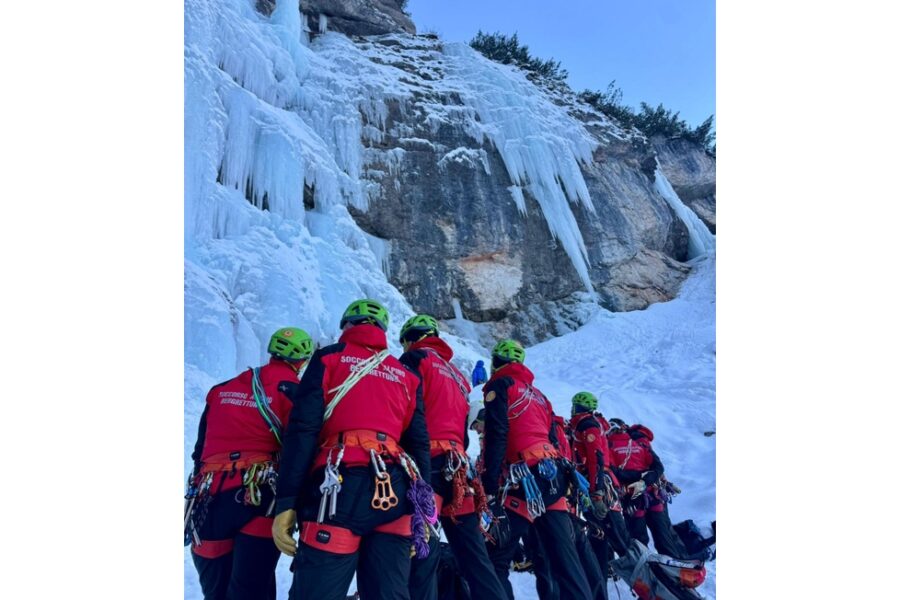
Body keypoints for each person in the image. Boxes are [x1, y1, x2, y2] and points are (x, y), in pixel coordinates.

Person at [270, 299, 433, 600]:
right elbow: (418, 444)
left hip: (338, 490)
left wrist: (287, 501)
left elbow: (303, 431)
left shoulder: (329, 358)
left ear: (347, 325)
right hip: (395, 490)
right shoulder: (407, 376)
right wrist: (423, 515)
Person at [187, 327, 314, 600]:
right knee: (251, 589)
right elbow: (300, 447)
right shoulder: (295, 392)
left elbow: (200, 450)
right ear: (302, 361)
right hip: (257, 495)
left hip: (208, 498)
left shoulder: (221, 390)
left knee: (215, 590)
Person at [399, 315, 506, 600]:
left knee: (421, 550)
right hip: (458, 471)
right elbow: (463, 431)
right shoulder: (458, 376)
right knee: (475, 557)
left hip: (427, 467)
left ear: (410, 339)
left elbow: (407, 412)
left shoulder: (414, 360)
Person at [481, 339, 593, 600]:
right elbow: (555, 440)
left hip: (523, 481)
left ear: (496, 363)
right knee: (566, 561)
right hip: (553, 476)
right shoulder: (540, 396)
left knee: (496, 560)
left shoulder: (500, 385)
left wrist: (488, 485)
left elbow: (497, 434)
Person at [606, 418, 689, 559]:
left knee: (640, 540)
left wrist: (637, 479)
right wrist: (644, 478)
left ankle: (647, 572)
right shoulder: (641, 442)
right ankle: (674, 569)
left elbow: (613, 472)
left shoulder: (609, 446)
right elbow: (658, 467)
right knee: (663, 536)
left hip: (632, 498)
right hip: (653, 494)